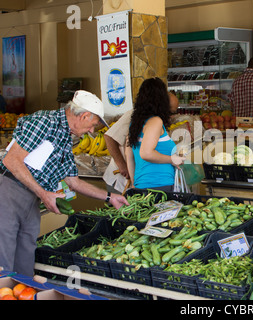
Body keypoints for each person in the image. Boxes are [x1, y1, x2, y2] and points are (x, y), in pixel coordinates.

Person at [0, 90, 129, 276]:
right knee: (4, 259)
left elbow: (73, 182)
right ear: (84, 116)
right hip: (10, 192)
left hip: (32, 198)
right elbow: (11, 161)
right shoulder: (43, 122)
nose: (92, 131)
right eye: (92, 125)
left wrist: (110, 197)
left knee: (25, 256)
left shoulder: (65, 136)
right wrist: (44, 194)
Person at [103, 92, 179, 194]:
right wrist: (122, 165)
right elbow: (109, 137)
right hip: (120, 179)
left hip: (137, 178)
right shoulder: (135, 116)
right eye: (170, 112)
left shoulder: (157, 121)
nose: (172, 117)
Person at [125, 78, 185, 192]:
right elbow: (146, 153)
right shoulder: (156, 121)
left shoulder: (135, 123)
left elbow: (129, 154)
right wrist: (172, 159)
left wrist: (134, 183)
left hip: (142, 185)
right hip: (159, 185)